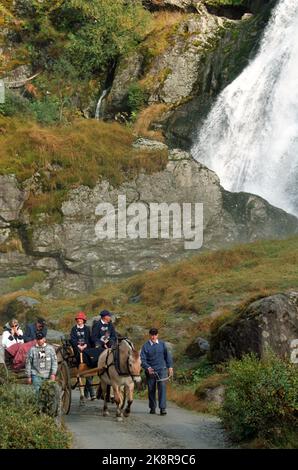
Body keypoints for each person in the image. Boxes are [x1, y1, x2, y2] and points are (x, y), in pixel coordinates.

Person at [141, 328, 173, 416]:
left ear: (157, 335)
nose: (153, 337)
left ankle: (163, 408)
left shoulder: (162, 344)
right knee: (151, 389)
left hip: (162, 370)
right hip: (150, 371)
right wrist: (147, 367)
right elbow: (142, 359)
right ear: (149, 335)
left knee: (162, 388)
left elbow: (168, 356)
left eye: (155, 335)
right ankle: (152, 407)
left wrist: (170, 367)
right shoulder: (145, 346)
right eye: (152, 335)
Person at [70, 311, 95, 400]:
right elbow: (72, 339)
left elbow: (89, 339)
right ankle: (92, 393)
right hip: (77, 349)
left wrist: (85, 345)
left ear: (84, 320)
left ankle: (87, 392)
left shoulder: (87, 329)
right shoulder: (74, 329)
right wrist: (78, 345)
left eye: (81, 319)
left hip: (86, 348)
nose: (79, 320)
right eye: (78, 319)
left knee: (89, 366)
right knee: (79, 358)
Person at [25, 331, 57, 396]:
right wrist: (28, 376)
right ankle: (37, 406)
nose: (40, 340)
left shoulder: (50, 348)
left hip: (48, 375)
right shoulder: (32, 349)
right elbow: (28, 363)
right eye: (38, 339)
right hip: (36, 375)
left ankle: (46, 406)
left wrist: (53, 373)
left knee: (49, 394)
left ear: (44, 339)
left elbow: (54, 361)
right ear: (36, 340)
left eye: (41, 339)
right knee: (37, 393)